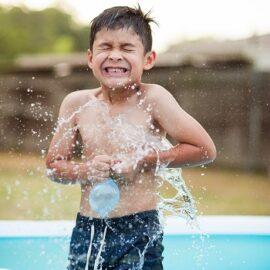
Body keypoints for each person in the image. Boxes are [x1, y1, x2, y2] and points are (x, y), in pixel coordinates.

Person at [46, 5, 216, 270]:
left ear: (148, 59)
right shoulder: (76, 104)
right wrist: (86, 169)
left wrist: (145, 160)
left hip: (139, 228)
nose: (115, 56)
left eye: (126, 48)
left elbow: (205, 149)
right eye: (105, 47)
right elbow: (54, 166)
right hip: (88, 229)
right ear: (90, 57)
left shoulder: (154, 99)